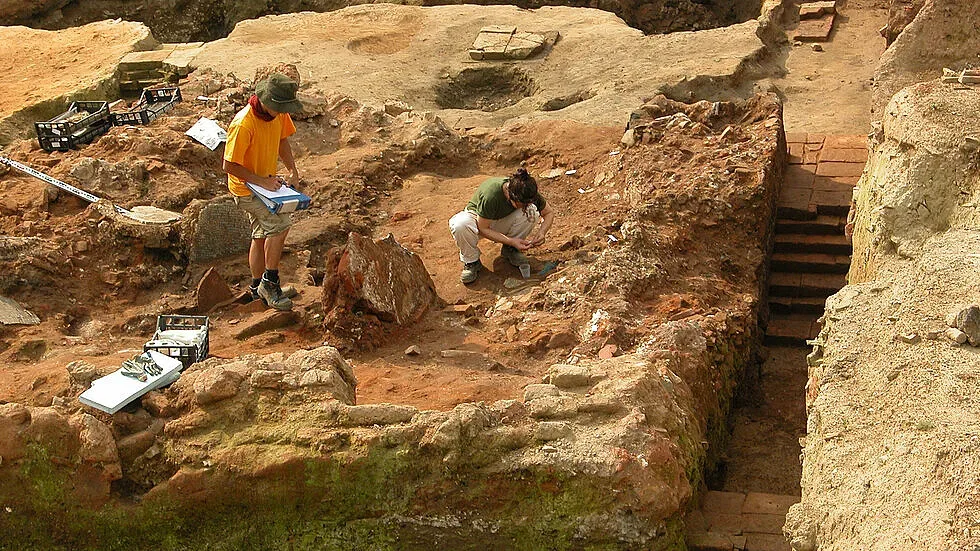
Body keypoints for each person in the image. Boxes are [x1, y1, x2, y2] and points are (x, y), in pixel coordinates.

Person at [222, 73, 303, 310]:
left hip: (265, 185)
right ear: (267, 101)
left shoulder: (278, 113)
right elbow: (229, 165)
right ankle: (270, 282)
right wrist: (261, 182)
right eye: (281, 107)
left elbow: (282, 140)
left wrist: (292, 170)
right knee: (281, 225)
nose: (283, 111)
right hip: (245, 189)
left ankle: (257, 288)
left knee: (259, 236)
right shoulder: (243, 124)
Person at [448, 168, 555, 284]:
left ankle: (510, 250)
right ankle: (472, 262)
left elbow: (548, 213)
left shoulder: (526, 191)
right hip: (478, 221)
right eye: (522, 204)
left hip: (500, 221)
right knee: (460, 225)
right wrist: (511, 240)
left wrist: (542, 232)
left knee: (532, 212)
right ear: (510, 196)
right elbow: (483, 228)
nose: (525, 206)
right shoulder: (492, 195)